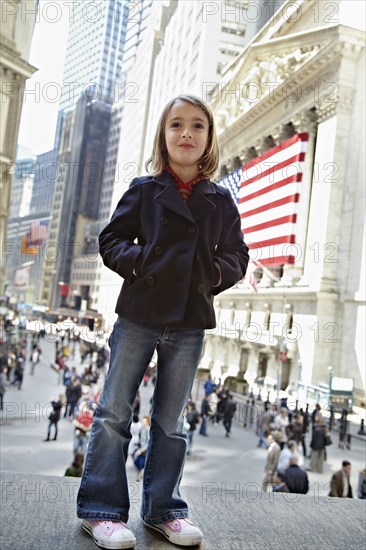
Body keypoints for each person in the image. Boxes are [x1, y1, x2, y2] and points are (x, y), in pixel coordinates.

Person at [76, 94, 249, 549]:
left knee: (171, 422)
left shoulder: (221, 200)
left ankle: (164, 510)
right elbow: (111, 239)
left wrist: (211, 274)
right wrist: (142, 262)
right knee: (113, 413)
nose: (186, 133)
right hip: (139, 314)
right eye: (177, 125)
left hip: (190, 320)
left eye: (197, 126)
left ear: (209, 137)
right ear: (164, 135)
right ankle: (101, 510)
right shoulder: (144, 189)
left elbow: (238, 256)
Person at [133, 415, 151, 482]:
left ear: (147, 422)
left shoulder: (148, 430)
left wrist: (141, 450)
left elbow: (148, 442)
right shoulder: (143, 429)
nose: (142, 422)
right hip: (141, 449)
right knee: (138, 463)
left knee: (141, 464)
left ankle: (139, 477)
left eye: (144, 421)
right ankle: (139, 477)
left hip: (145, 451)